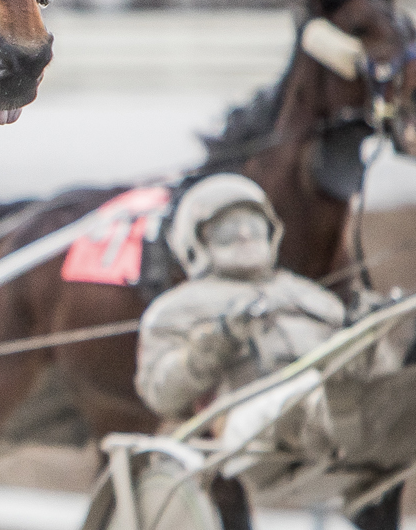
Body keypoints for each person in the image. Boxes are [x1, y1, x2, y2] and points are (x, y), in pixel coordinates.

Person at [135, 174, 350, 461]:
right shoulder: (175, 307)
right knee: (309, 398)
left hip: (334, 403)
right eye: (228, 229)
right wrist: (214, 342)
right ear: (196, 239)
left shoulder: (311, 295)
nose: (245, 235)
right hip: (244, 421)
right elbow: (160, 393)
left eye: (254, 226)